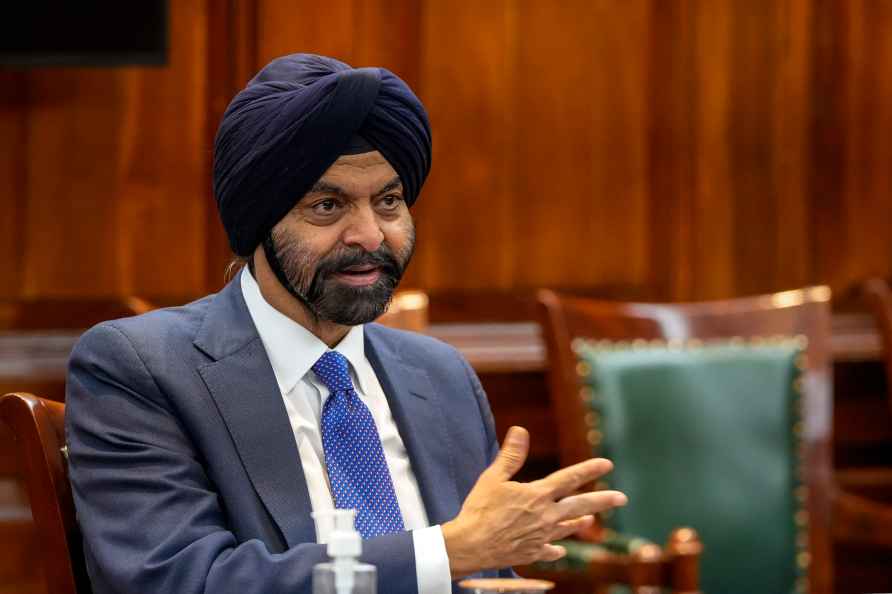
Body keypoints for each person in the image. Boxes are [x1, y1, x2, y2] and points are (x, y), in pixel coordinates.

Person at [65, 53, 627, 594]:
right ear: (259, 221)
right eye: (328, 206)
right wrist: (446, 552)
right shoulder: (143, 368)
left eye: (388, 202)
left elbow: (487, 578)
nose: (371, 235)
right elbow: (177, 581)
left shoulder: (440, 376)